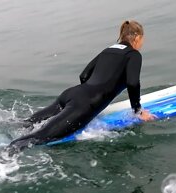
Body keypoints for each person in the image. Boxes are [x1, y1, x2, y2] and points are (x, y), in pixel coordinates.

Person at [9, 20, 155, 151]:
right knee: (36, 138)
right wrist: (138, 111)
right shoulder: (134, 55)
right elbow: (132, 83)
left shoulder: (108, 50)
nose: (142, 44)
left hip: (71, 94)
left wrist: (89, 95)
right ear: (137, 38)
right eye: (142, 40)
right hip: (82, 105)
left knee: (25, 123)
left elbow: (84, 75)